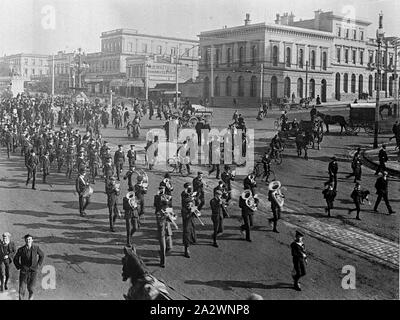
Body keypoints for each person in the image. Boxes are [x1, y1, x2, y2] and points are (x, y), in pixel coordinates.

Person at [13, 234, 45, 300]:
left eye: (29, 239)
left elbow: (42, 255)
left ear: (32, 240)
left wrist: (38, 264)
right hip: (24, 272)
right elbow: (15, 258)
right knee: (22, 288)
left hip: (33, 272)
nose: (28, 241)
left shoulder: (36, 248)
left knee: (31, 288)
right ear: (25, 240)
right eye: (27, 239)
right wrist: (19, 266)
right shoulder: (21, 249)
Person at [155, 200, 173, 268]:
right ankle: (162, 262)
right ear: (162, 206)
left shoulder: (168, 210)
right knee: (163, 248)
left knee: (170, 247)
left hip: (168, 231)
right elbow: (160, 223)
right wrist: (165, 216)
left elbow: (173, 218)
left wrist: (171, 216)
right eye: (165, 206)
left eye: (167, 206)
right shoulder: (158, 213)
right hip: (162, 232)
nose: (166, 207)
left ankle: (162, 253)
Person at [181, 182, 196, 258]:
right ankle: (186, 248)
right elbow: (186, 200)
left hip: (191, 214)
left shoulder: (191, 194)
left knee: (192, 228)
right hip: (186, 214)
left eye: (190, 187)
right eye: (188, 187)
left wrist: (195, 210)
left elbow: (193, 203)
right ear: (185, 188)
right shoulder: (183, 194)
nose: (189, 189)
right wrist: (192, 197)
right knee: (186, 231)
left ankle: (192, 239)